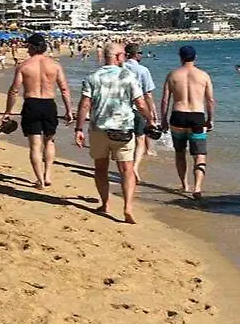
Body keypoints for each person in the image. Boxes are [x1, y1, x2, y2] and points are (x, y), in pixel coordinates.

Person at [74, 42, 151, 223]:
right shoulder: (128, 76)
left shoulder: (93, 76)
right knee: (127, 170)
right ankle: (128, 207)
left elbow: (85, 104)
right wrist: (150, 119)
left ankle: (105, 203)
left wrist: (78, 128)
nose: (124, 57)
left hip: (99, 129)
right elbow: (140, 103)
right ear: (117, 57)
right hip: (122, 129)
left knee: (100, 169)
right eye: (123, 54)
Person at [2, 33, 74, 189]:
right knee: (49, 140)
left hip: (31, 104)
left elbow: (14, 90)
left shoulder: (24, 66)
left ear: (33, 47)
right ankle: (47, 175)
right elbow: (64, 89)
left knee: (35, 145)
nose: (27, 48)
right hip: (49, 105)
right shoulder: (55, 65)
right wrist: (69, 110)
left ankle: (40, 180)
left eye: (28, 46)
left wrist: (8, 111)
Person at [160, 45, 215, 199]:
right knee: (200, 155)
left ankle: (185, 184)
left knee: (180, 153)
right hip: (197, 117)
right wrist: (210, 119)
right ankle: (197, 188)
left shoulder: (172, 75)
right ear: (195, 57)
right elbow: (210, 100)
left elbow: (165, 100)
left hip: (178, 116)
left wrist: (163, 119)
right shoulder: (203, 75)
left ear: (180, 57)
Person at [123, 43, 159, 180]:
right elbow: (148, 94)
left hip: (121, 107)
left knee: (125, 138)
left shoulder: (120, 67)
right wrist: (153, 112)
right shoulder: (143, 70)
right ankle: (135, 167)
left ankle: (126, 164)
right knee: (140, 138)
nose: (142, 55)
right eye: (141, 53)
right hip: (137, 107)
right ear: (136, 54)